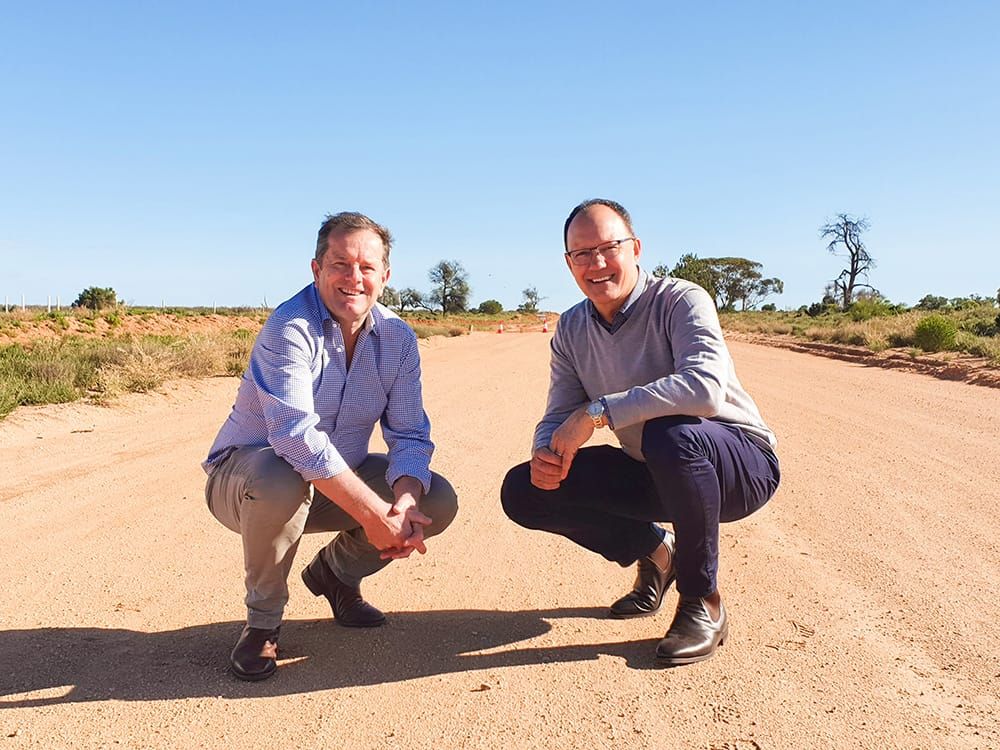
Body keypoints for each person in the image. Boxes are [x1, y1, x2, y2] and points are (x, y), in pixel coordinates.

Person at [500, 199, 779, 666]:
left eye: (609, 247)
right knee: (524, 489)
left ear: (635, 248)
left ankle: (702, 601)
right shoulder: (571, 327)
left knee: (669, 434)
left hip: (738, 464)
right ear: (568, 263)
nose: (597, 263)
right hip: (655, 467)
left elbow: (705, 389)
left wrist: (598, 413)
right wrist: (545, 451)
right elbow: (559, 409)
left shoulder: (680, 300)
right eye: (581, 254)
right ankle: (656, 553)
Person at [203, 211, 458, 681]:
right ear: (316, 269)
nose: (353, 278)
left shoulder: (398, 338)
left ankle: (337, 576)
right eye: (340, 264)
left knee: (434, 498)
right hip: (246, 483)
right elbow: (294, 437)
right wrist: (371, 514)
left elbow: (409, 434)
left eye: (366, 267)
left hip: (329, 486)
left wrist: (401, 504)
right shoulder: (289, 327)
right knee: (280, 474)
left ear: (385, 275)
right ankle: (263, 625)